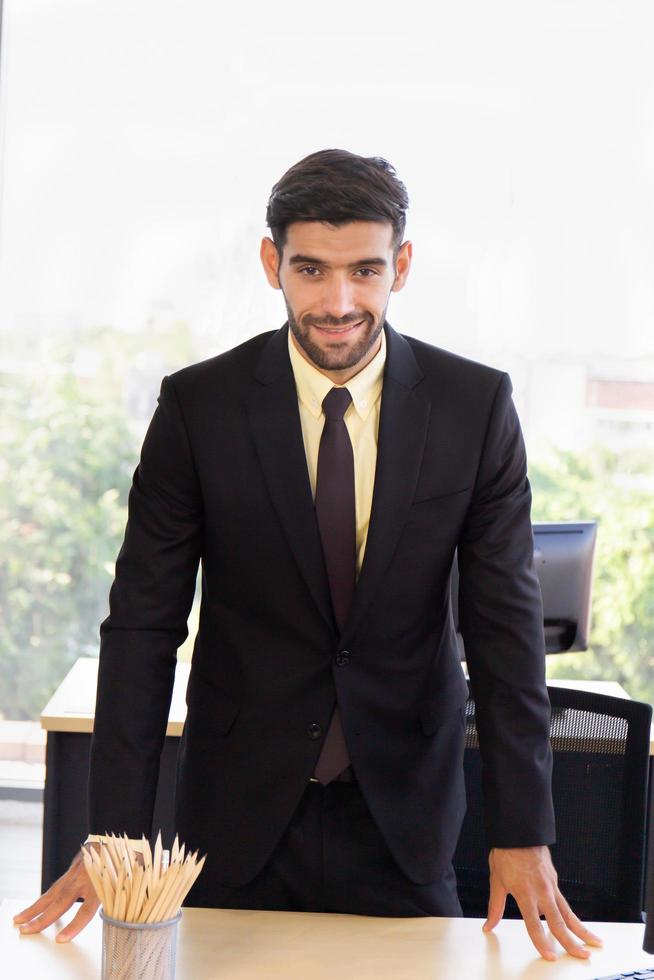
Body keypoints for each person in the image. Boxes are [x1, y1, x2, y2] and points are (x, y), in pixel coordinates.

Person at [15, 149, 602, 961]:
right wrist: (116, 836)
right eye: (311, 270)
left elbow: (506, 635)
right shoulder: (198, 408)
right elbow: (143, 627)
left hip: (405, 814)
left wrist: (524, 831)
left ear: (400, 264)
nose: (338, 301)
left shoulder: (475, 407)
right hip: (234, 815)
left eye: (365, 270)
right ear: (272, 264)